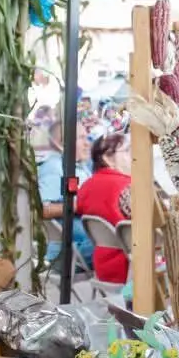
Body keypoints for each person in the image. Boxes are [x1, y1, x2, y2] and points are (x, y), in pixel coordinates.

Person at [75, 133, 132, 285]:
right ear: (108, 158)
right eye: (128, 151)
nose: (134, 156)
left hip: (102, 269)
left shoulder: (86, 186)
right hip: (133, 271)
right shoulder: (129, 187)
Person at [38, 118, 94, 269]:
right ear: (62, 143)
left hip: (81, 247)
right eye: (82, 138)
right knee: (126, 246)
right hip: (71, 253)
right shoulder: (55, 167)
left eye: (87, 138)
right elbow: (41, 210)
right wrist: (79, 205)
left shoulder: (79, 167)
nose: (87, 143)